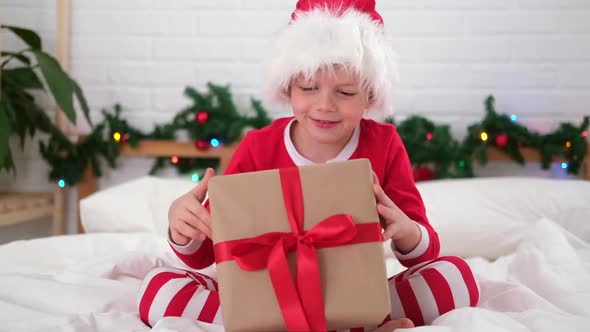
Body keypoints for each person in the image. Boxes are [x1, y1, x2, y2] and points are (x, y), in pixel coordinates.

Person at [137, 1, 479, 331]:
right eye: (309, 88)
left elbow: (423, 253)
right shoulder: (258, 147)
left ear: (370, 96)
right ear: (288, 88)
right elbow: (208, 253)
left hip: (352, 293)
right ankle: (347, 327)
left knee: (455, 276)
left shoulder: (385, 144)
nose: (325, 105)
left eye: (345, 92)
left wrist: (406, 230)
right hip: (265, 295)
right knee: (158, 286)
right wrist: (183, 228)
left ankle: (298, 325)